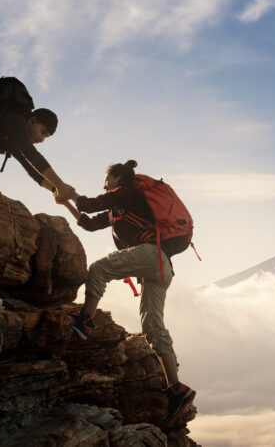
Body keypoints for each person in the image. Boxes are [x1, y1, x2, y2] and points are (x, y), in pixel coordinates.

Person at [71, 160, 196, 425]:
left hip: (150, 256)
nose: (105, 185)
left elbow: (92, 204)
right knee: (153, 326)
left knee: (98, 268)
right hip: (161, 266)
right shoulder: (121, 207)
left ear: (118, 179)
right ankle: (176, 389)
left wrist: (73, 195)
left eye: (108, 180)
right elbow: (91, 223)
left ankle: (85, 321)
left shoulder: (127, 192)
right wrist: (72, 208)